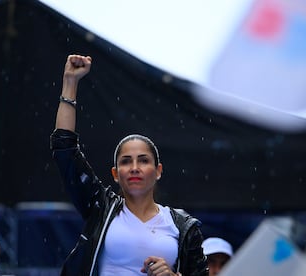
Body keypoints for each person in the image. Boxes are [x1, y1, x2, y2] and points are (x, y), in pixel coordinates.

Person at [50, 54, 208, 276]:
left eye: (143, 160)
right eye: (126, 161)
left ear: (158, 171)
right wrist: (70, 83)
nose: (134, 167)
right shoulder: (100, 207)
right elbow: (65, 150)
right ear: (115, 174)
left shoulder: (183, 226)